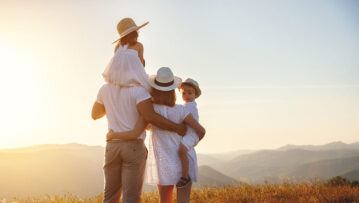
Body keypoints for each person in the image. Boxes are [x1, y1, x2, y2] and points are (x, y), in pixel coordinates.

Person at [91, 18, 187, 203]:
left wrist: (112, 105)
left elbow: (95, 115)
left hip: (112, 145)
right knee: (131, 197)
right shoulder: (139, 90)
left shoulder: (104, 89)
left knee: (110, 196)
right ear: (137, 60)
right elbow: (150, 116)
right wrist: (176, 128)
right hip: (133, 147)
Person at [176, 78, 203, 188]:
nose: (186, 95)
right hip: (190, 134)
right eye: (184, 93)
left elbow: (182, 117)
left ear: (195, 95)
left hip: (192, 134)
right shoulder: (188, 105)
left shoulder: (189, 106)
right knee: (182, 150)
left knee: (182, 150)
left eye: (190, 93)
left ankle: (185, 176)